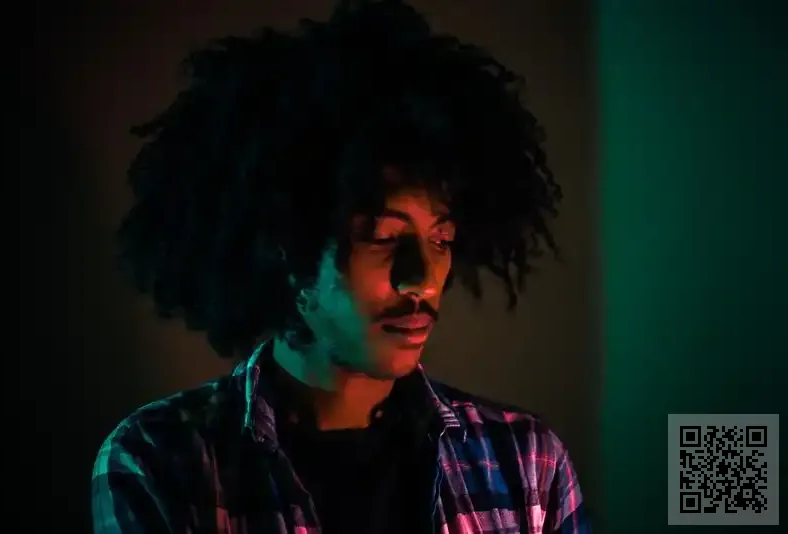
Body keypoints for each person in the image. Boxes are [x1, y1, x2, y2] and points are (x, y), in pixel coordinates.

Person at [91, 1, 591, 532]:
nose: (423, 277)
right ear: (287, 249)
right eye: (384, 237)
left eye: (441, 239)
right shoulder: (161, 463)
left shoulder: (527, 462)